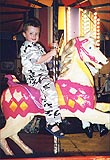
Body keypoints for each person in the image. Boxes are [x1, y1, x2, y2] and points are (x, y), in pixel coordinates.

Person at [20, 17, 64, 138]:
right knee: (49, 90)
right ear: (24, 34)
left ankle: (58, 116)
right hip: (34, 77)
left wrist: (53, 50)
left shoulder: (38, 46)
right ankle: (51, 122)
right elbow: (38, 60)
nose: (34, 36)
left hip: (43, 75)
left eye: (36, 33)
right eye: (31, 33)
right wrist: (51, 53)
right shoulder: (27, 46)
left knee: (60, 86)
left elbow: (46, 59)